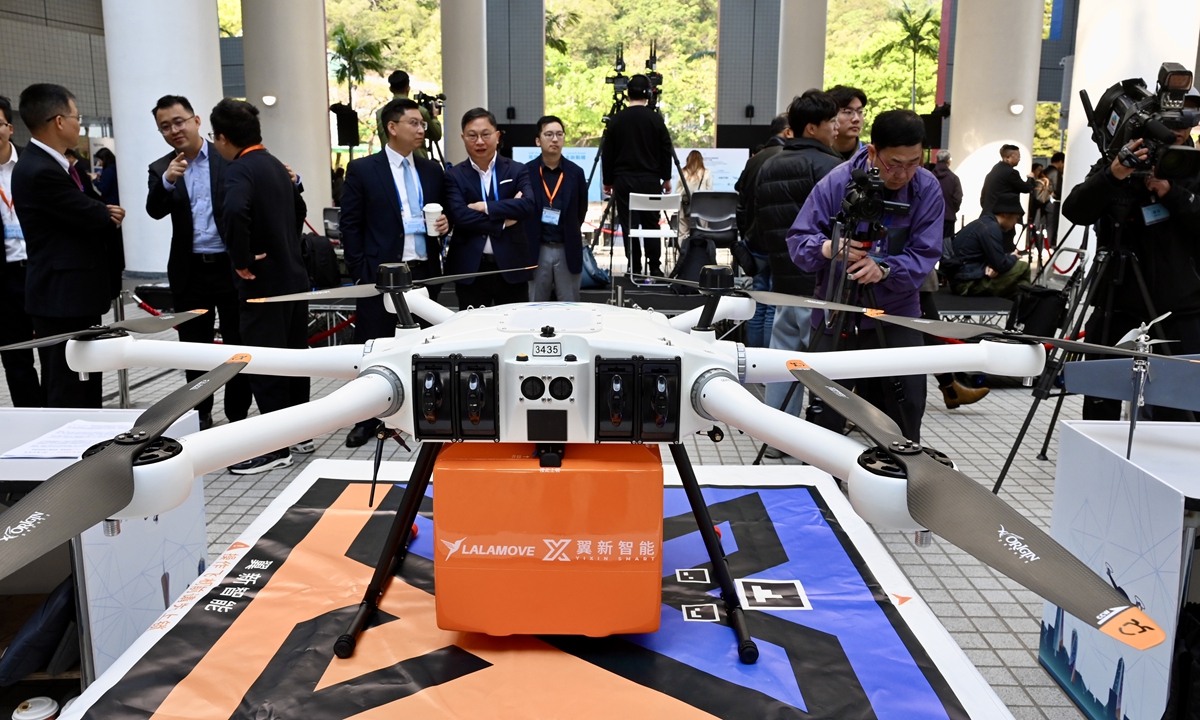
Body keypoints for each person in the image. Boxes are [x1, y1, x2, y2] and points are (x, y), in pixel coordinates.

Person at [789, 109, 945, 441]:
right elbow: (798, 242)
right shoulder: (837, 181)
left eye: (914, 162)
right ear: (872, 151)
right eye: (894, 164)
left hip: (896, 314)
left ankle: (896, 486)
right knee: (828, 415)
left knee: (905, 411)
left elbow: (927, 252)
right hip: (837, 312)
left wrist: (885, 268)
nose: (903, 174)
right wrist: (830, 248)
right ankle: (825, 481)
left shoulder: (926, 188)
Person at [1063, 120, 1200, 422]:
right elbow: (1075, 210)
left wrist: (1172, 193)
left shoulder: (1193, 167)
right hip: (1117, 299)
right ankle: (1100, 462)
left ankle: (1171, 466)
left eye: (1186, 122)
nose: (1178, 130)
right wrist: (1112, 175)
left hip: (1180, 307)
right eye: (1169, 122)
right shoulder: (1118, 160)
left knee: (1179, 401)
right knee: (1102, 397)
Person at [340, 97, 449, 447]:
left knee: (426, 344)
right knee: (374, 345)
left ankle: (427, 412)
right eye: (415, 123)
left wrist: (446, 224)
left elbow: (446, 215)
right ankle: (365, 419)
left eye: (422, 124)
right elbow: (350, 225)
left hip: (424, 271)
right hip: (380, 275)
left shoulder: (432, 170)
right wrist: (360, 271)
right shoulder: (363, 169)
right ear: (392, 127)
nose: (422, 129)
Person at [209, 98, 310, 473]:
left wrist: (242, 259)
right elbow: (299, 211)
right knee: (294, 357)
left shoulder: (240, 170)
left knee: (265, 361)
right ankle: (302, 432)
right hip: (294, 276)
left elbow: (234, 211)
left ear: (222, 138)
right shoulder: (275, 166)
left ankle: (275, 446)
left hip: (263, 282)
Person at [11, 83, 124, 408]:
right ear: (59, 121)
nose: (79, 123)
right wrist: (104, 213)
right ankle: (70, 454)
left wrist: (100, 211)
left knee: (86, 378)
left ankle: (91, 445)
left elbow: (89, 207)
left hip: (74, 295)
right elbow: (90, 215)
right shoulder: (39, 170)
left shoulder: (58, 165)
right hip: (61, 297)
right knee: (67, 384)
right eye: (77, 117)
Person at [146, 94, 252, 430]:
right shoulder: (161, 167)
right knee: (194, 347)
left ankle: (237, 414)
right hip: (190, 271)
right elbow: (154, 210)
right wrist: (168, 180)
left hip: (230, 267)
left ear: (196, 121)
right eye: (165, 127)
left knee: (238, 343)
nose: (174, 130)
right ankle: (199, 413)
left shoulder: (226, 158)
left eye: (178, 121)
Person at [754, 90, 844, 446]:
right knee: (821, 366)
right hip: (819, 280)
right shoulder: (829, 168)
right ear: (813, 127)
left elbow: (759, 223)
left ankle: (776, 439)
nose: (836, 129)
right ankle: (817, 441)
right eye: (832, 122)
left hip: (781, 276)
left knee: (783, 362)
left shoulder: (769, 162)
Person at [443, 107, 537, 308]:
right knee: (473, 331)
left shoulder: (517, 169)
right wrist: (503, 221)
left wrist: (485, 207)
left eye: (485, 134)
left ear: (497, 136)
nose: (479, 141)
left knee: (515, 327)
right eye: (472, 135)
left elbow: (527, 205)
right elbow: (460, 216)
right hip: (471, 268)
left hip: (512, 266)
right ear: (463, 137)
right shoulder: (454, 176)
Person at [601, 74, 674, 277]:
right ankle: (655, 267)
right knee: (652, 224)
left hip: (623, 180)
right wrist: (666, 177)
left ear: (627, 94)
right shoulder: (655, 119)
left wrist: (608, 180)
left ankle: (634, 267)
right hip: (650, 180)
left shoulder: (616, 120)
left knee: (629, 223)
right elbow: (665, 149)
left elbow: (608, 153)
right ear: (649, 94)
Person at [0, 95, 44, 407]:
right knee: (16, 359)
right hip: (5, 278)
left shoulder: (34, 164)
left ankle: (57, 415)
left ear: (10, 128)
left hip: (41, 270)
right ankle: (31, 416)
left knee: (55, 352)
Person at [735, 113, 790, 348]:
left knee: (757, 303)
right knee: (772, 305)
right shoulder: (785, 159)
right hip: (778, 242)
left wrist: (745, 234)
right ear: (787, 131)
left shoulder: (754, 160)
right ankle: (767, 360)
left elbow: (741, 200)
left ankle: (754, 360)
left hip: (754, 241)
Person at [524, 115, 588, 303]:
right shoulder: (525, 172)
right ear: (538, 140)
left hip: (566, 247)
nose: (555, 139)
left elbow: (580, 211)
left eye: (559, 134)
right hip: (537, 248)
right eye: (549, 134)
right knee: (535, 305)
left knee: (569, 305)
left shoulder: (576, 173)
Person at [948, 194, 1030, 299]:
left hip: (964, 277)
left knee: (1020, 288)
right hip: (968, 283)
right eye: (1016, 218)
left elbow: (994, 258)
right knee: (1023, 267)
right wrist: (1013, 257)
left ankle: (1025, 300)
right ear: (1005, 214)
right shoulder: (991, 228)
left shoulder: (983, 223)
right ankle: (1028, 304)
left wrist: (991, 265)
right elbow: (1001, 264)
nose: (1015, 223)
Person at [376, 70, 442, 160]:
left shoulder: (380, 113)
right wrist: (434, 117)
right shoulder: (419, 111)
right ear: (408, 88)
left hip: (388, 163)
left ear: (391, 89)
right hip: (418, 163)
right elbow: (436, 135)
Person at [979, 144, 1035, 217]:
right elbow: (1026, 188)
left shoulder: (995, 169)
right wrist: (1030, 178)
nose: (1019, 159)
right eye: (1018, 156)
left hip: (988, 212)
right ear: (1008, 157)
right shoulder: (1011, 172)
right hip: (1001, 215)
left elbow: (983, 196)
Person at [827, 85, 868, 161]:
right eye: (848, 112)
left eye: (860, 112)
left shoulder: (870, 155)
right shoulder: (816, 156)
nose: (856, 119)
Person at [678, 150, 713, 239]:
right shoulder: (706, 172)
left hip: (685, 206)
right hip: (702, 208)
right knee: (702, 232)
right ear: (701, 160)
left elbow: (678, 192)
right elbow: (709, 191)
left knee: (683, 233)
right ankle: (701, 252)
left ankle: (683, 252)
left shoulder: (682, 172)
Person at [931, 149, 962, 241]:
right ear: (948, 161)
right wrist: (952, 210)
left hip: (932, 218)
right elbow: (957, 198)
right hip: (948, 219)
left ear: (936, 160)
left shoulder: (930, 177)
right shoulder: (954, 178)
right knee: (946, 249)